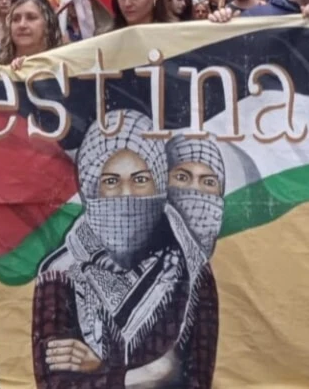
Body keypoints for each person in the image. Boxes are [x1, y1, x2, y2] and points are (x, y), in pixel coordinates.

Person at [32, 113, 218, 388]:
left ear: (158, 182)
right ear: (91, 189)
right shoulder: (59, 274)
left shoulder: (191, 271)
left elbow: (197, 377)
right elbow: (54, 382)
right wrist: (148, 373)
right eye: (111, 181)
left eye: (140, 179)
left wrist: (100, 369)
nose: (127, 193)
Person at [0, 0, 66, 66]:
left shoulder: (64, 65)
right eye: (15, 19)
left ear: (47, 23)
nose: (22, 25)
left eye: (31, 18)